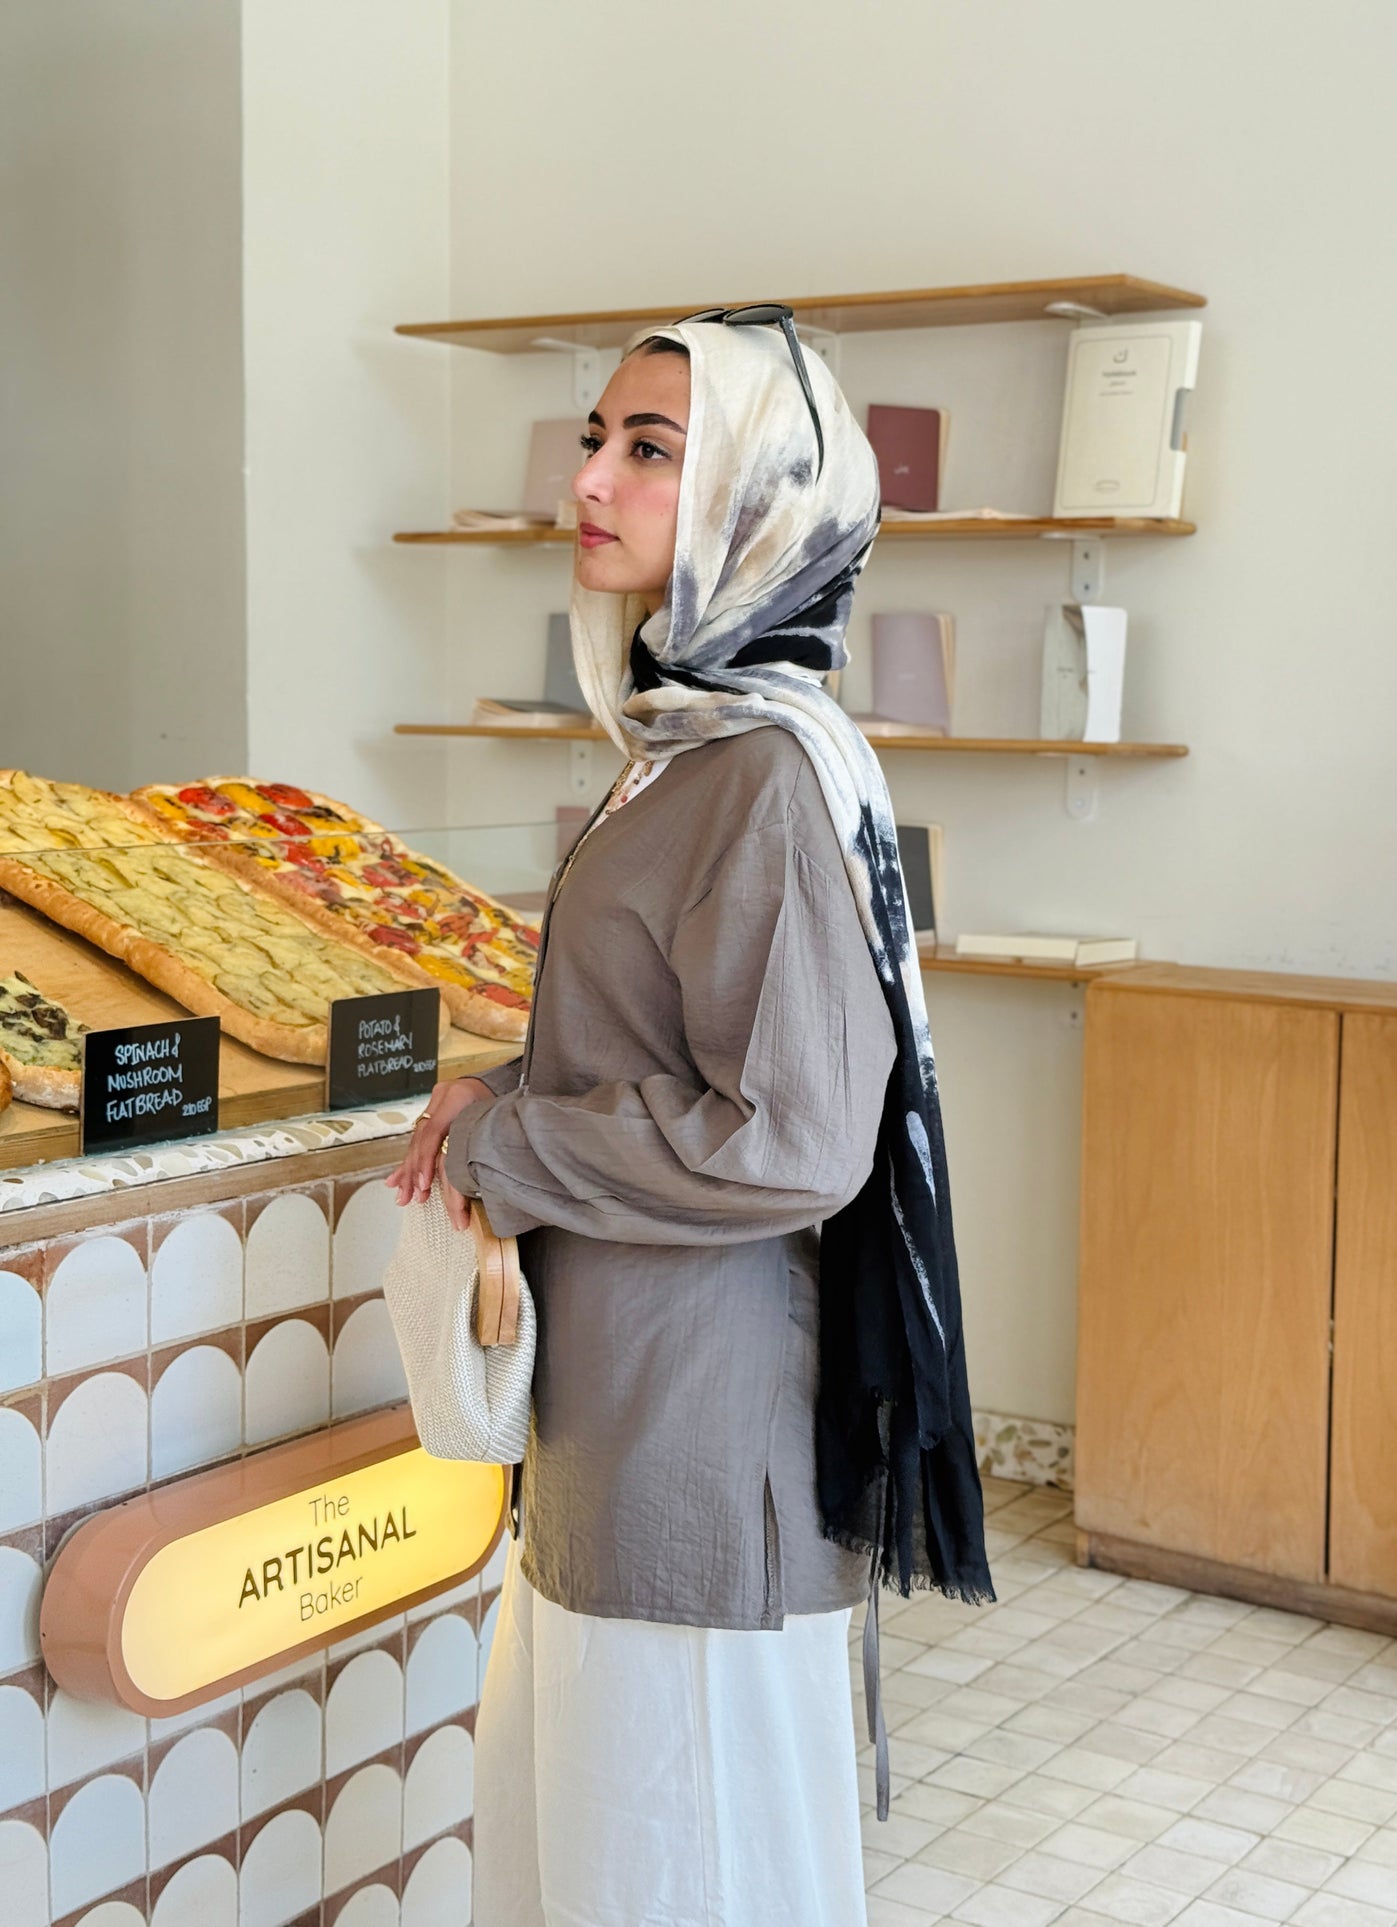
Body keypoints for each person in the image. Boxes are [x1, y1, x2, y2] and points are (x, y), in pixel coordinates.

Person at [387, 309, 994, 1926]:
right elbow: (653, 1051)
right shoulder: (678, 748)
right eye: (595, 437)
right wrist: (506, 1088)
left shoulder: (762, 778)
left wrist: (508, 1147)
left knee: (678, 1868)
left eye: (650, 448)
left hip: (696, 1442)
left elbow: (790, 1139)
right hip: (621, 1419)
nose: (589, 477)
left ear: (756, 498)